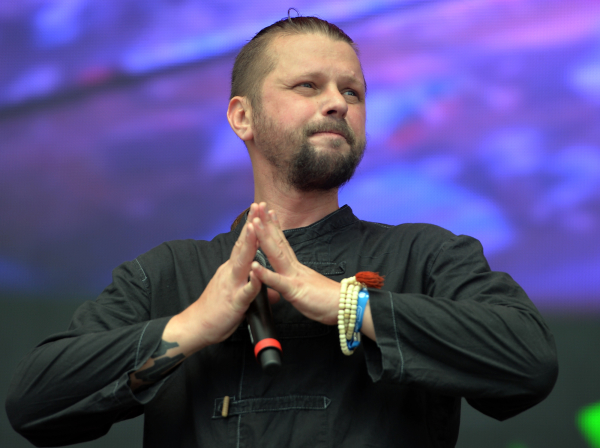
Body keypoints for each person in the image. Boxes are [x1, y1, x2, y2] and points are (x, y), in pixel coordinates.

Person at [6, 14, 558, 448]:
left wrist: (345, 303)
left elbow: (529, 362)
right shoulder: (165, 274)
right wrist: (194, 324)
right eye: (307, 86)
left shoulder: (427, 254)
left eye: (353, 92)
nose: (337, 103)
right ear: (241, 117)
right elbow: (33, 405)